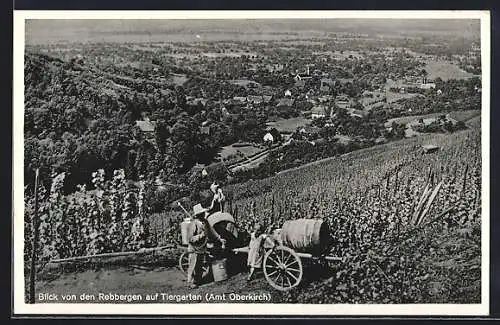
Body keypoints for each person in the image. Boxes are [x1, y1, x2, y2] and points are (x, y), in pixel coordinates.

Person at [186, 203, 226, 288]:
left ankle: (198, 281)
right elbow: (190, 238)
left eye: (203, 213)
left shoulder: (205, 222)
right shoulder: (194, 224)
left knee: (199, 266)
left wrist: (219, 239)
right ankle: (190, 283)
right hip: (194, 249)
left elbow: (212, 232)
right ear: (198, 215)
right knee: (193, 266)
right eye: (202, 213)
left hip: (202, 248)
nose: (204, 214)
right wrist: (201, 235)